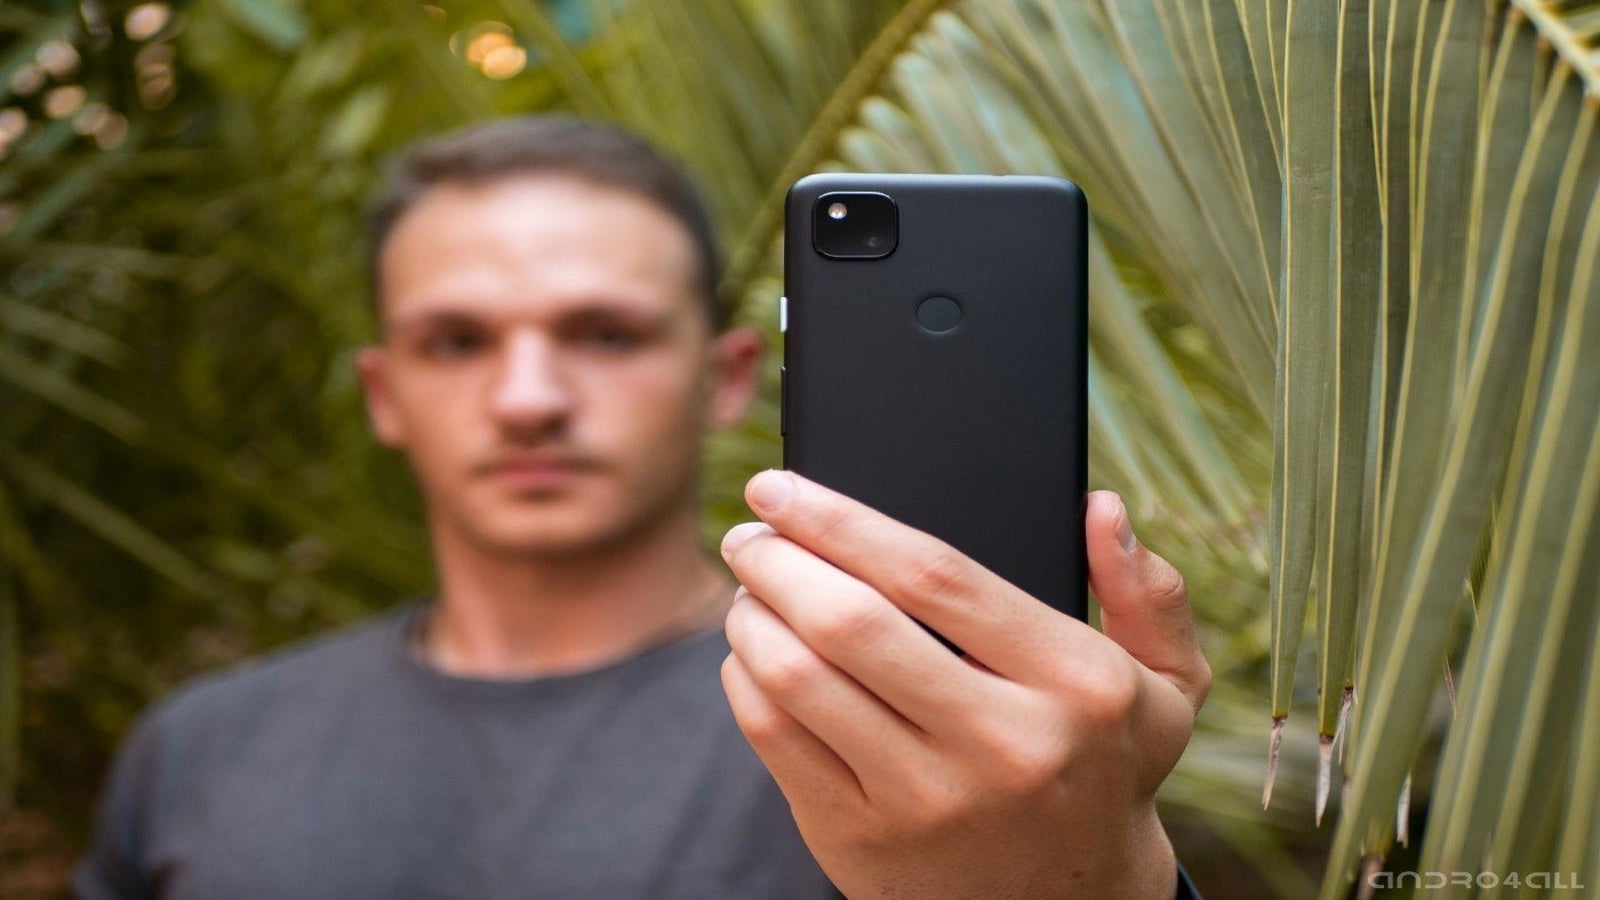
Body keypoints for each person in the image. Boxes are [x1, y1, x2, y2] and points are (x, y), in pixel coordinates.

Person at [75, 116, 1209, 899]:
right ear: (384, 393)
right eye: (456, 342)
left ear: (725, 377)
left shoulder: (949, 727)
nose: (528, 399)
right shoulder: (199, 751)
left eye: (605, 334)